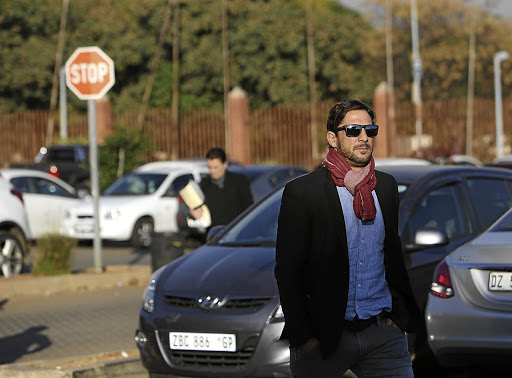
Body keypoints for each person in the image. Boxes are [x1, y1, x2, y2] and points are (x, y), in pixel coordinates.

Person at [274, 99, 422, 378]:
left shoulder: (387, 186)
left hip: (382, 332)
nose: (364, 137)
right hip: (325, 336)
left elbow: (391, 253)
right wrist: (303, 336)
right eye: (353, 130)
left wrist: (396, 318)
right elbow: (288, 269)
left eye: (370, 129)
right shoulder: (303, 192)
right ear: (333, 138)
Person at [190, 147, 253, 229]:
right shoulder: (203, 184)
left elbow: (249, 208)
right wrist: (192, 213)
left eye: (215, 167)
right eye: (209, 167)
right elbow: (196, 208)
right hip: (212, 234)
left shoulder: (240, 182)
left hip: (236, 232)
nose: (212, 171)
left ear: (225, 165)